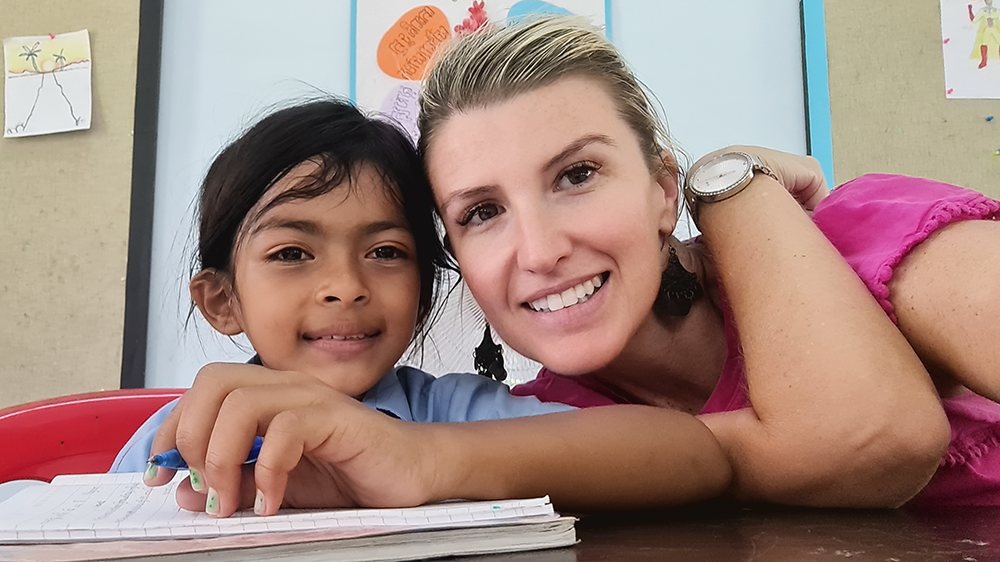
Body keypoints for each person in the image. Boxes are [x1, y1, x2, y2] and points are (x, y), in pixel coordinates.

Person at [416, 16, 1000, 508]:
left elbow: (878, 434)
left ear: (665, 192)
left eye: (577, 176)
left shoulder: (859, 239)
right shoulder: (545, 422)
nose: (541, 252)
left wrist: (731, 187)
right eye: (483, 212)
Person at [118, 98, 732, 518]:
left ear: (425, 287)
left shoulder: (449, 411)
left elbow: (692, 455)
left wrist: (423, 458)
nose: (345, 286)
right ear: (223, 301)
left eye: (385, 251)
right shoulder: (177, 439)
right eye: (291, 253)